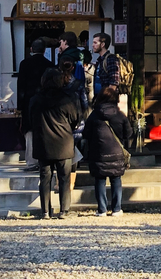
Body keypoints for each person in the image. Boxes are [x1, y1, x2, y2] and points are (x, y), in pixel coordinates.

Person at [28, 67, 83, 219]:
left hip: (43, 142)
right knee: (64, 177)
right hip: (63, 143)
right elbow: (75, 119)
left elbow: (30, 120)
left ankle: (45, 211)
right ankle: (64, 210)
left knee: (45, 178)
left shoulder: (36, 99)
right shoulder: (67, 98)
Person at [83, 83, 135, 216]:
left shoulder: (94, 115)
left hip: (98, 153)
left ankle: (102, 209)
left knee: (100, 180)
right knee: (116, 179)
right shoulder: (120, 115)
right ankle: (117, 209)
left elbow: (86, 134)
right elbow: (128, 133)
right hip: (117, 153)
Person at [16, 38, 49, 167]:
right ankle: (44, 160)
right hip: (46, 103)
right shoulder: (49, 64)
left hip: (28, 102)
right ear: (44, 50)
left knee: (29, 132)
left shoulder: (24, 64)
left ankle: (31, 162)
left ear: (31, 49)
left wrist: (19, 106)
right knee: (45, 130)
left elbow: (21, 86)